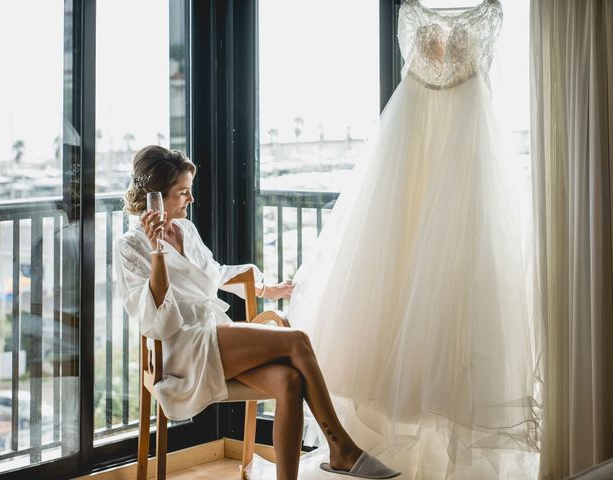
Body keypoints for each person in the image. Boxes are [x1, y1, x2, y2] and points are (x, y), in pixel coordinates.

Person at [288, 0, 542, 479]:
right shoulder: (413, 12)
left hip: (463, 155)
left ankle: (429, 446)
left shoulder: (483, 12)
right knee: (398, 289)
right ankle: (383, 441)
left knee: (455, 299)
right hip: (412, 156)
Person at [114, 145, 400, 480]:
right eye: (183, 193)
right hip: (181, 349)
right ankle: (342, 448)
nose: (190, 200)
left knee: (290, 380)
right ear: (157, 199)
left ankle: (310, 468)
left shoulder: (186, 230)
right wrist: (158, 250)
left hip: (212, 336)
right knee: (296, 340)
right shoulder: (131, 246)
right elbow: (158, 319)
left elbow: (214, 273)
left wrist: (265, 288)